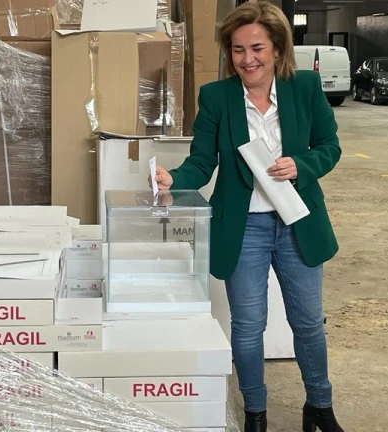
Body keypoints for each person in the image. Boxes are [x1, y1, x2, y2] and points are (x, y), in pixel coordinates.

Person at [151, 3, 344, 432]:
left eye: (257, 48)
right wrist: (173, 179)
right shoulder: (217, 97)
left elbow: (330, 147)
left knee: (308, 323)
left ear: (277, 48)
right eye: (237, 49)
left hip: (298, 223)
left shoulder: (305, 87)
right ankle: (255, 412)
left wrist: (302, 165)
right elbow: (202, 162)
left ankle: (320, 407)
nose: (247, 59)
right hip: (245, 228)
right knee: (248, 326)